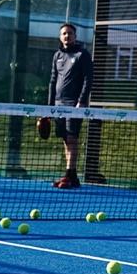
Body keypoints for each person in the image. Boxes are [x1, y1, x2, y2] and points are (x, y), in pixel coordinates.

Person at [48, 22, 93, 189]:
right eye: (64, 33)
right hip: (58, 104)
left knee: (72, 137)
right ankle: (71, 176)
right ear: (60, 37)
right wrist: (49, 107)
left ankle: (70, 174)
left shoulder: (82, 54)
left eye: (70, 33)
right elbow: (53, 80)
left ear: (75, 36)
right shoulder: (57, 56)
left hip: (74, 104)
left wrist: (82, 101)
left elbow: (88, 79)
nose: (67, 36)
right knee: (65, 139)